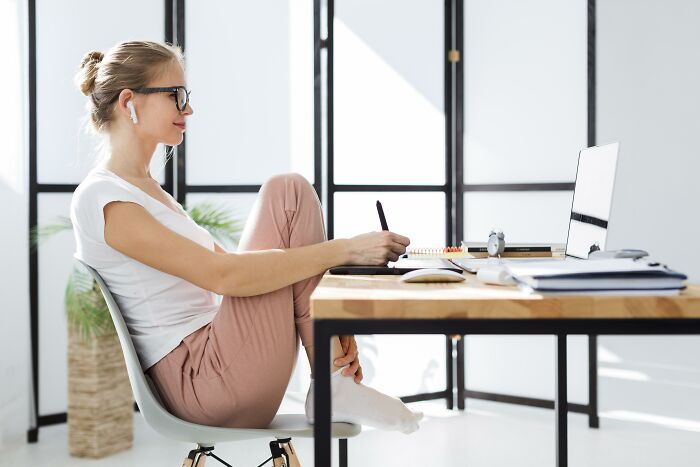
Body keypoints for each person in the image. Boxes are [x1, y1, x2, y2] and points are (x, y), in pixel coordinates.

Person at [69, 40, 423, 434]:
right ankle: (333, 383)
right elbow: (225, 276)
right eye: (176, 95)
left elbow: (244, 273)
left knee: (289, 191)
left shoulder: (154, 194)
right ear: (129, 102)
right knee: (286, 192)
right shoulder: (101, 198)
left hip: (222, 357)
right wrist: (346, 249)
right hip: (201, 382)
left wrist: (328, 323)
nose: (188, 109)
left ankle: (333, 379)